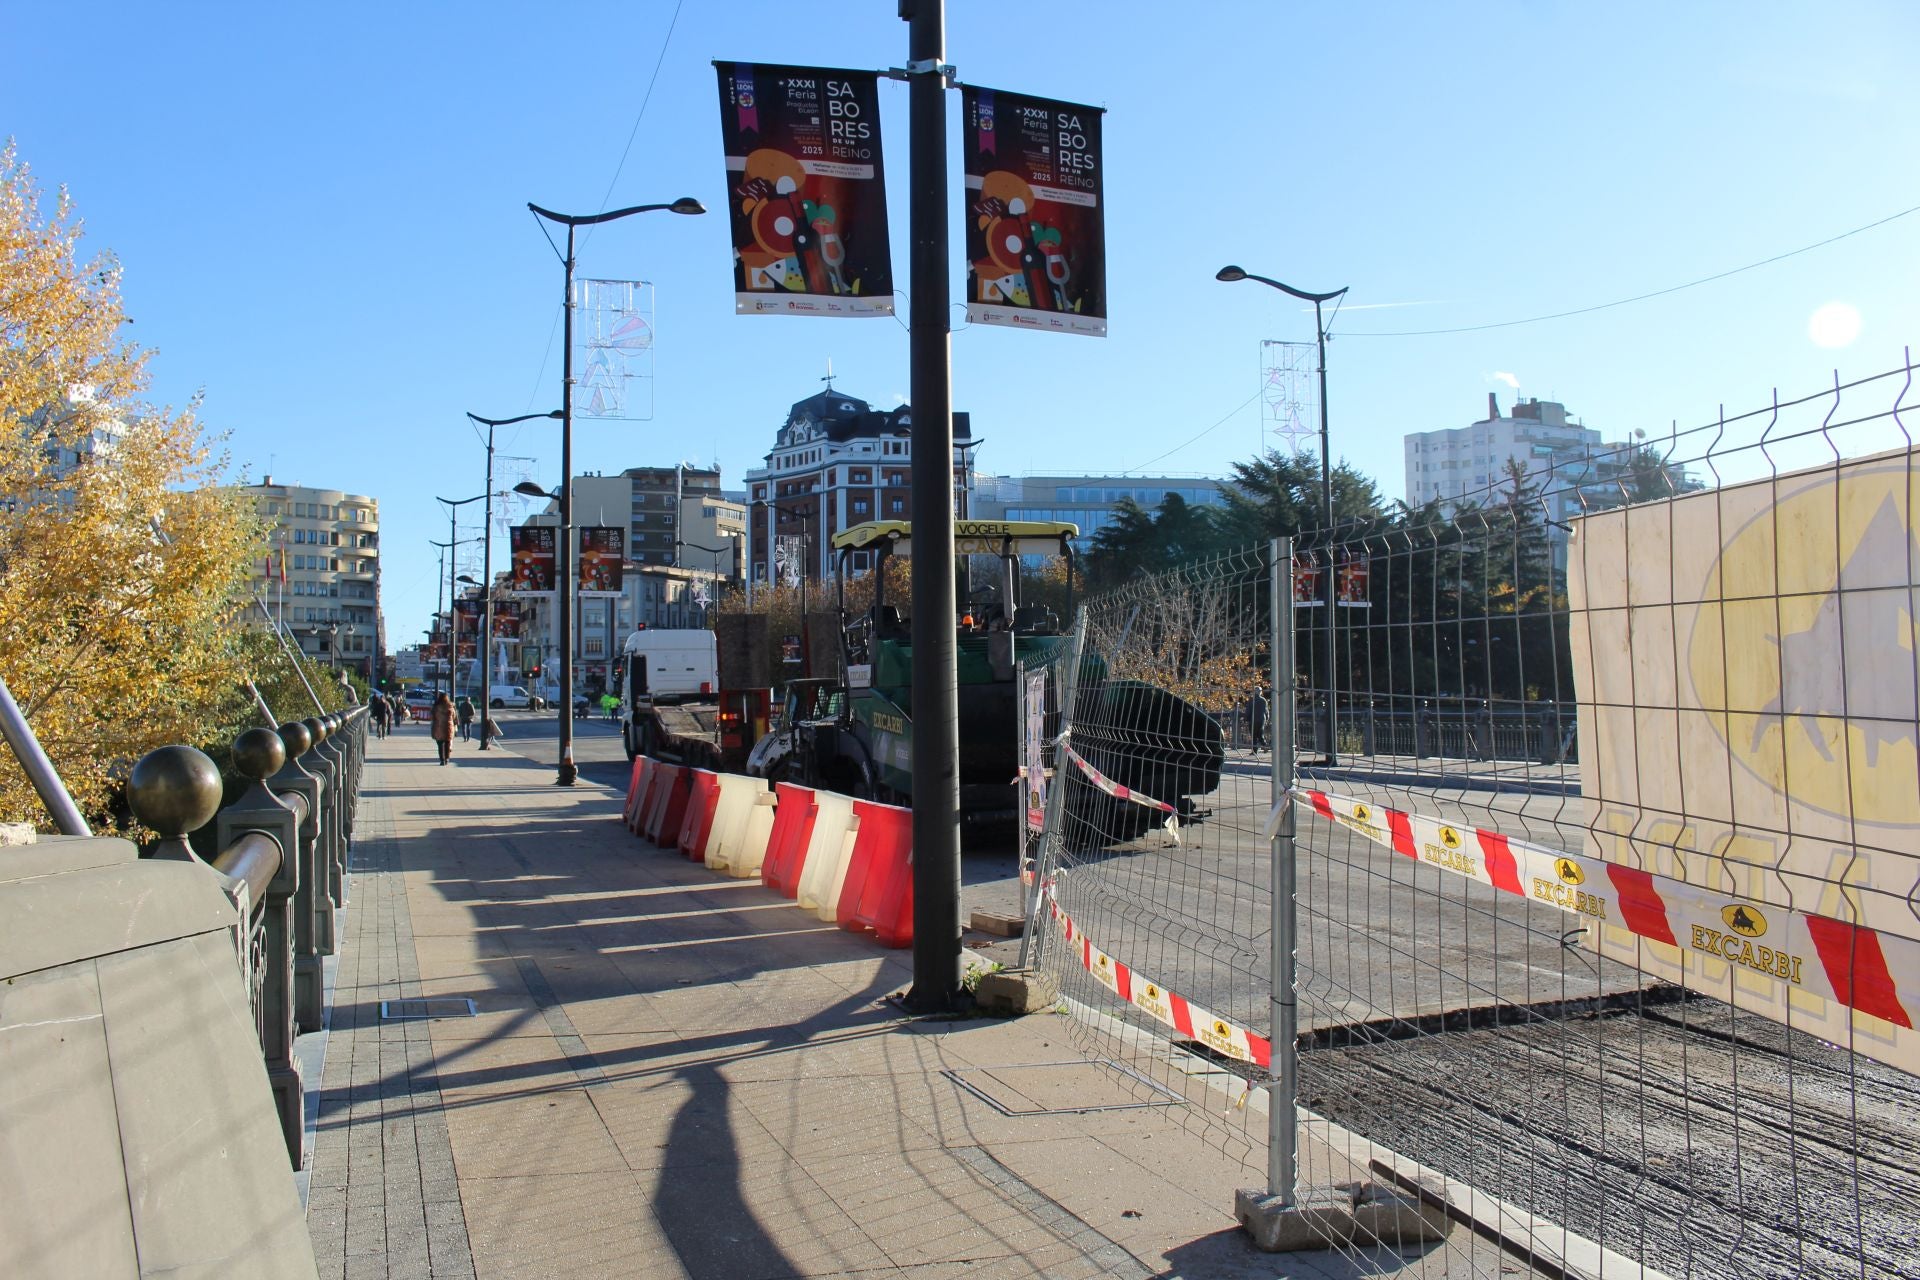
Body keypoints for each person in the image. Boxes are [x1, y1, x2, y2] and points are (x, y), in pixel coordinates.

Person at [430, 691, 454, 765]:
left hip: (438, 726)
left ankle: (442, 760)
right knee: (447, 743)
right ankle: (447, 758)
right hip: (448, 727)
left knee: (440, 744)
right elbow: (454, 716)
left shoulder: (436, 707)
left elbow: (432, 717)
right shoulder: (451, 707)